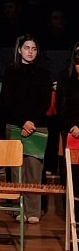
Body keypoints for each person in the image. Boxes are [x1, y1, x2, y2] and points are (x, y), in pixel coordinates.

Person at [1, 34, 52, 223]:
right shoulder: (11, 71)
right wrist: (23, 121)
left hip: (37, 127)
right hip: (16, 125)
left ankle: (33, 211)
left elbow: (45, 101)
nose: (30, 52)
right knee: (17, 170)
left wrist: (31, 122)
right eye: (27, 48)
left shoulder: (43, 73)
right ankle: (18, 209)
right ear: (19, 50)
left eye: (34, 49)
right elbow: (7, 100)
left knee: (34, 171)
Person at [57, 42, 79, 220]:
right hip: (70, 132)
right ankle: (72, 214)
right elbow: (61, 106)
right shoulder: (65, 77)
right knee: (71, 175)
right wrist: (73, 126)